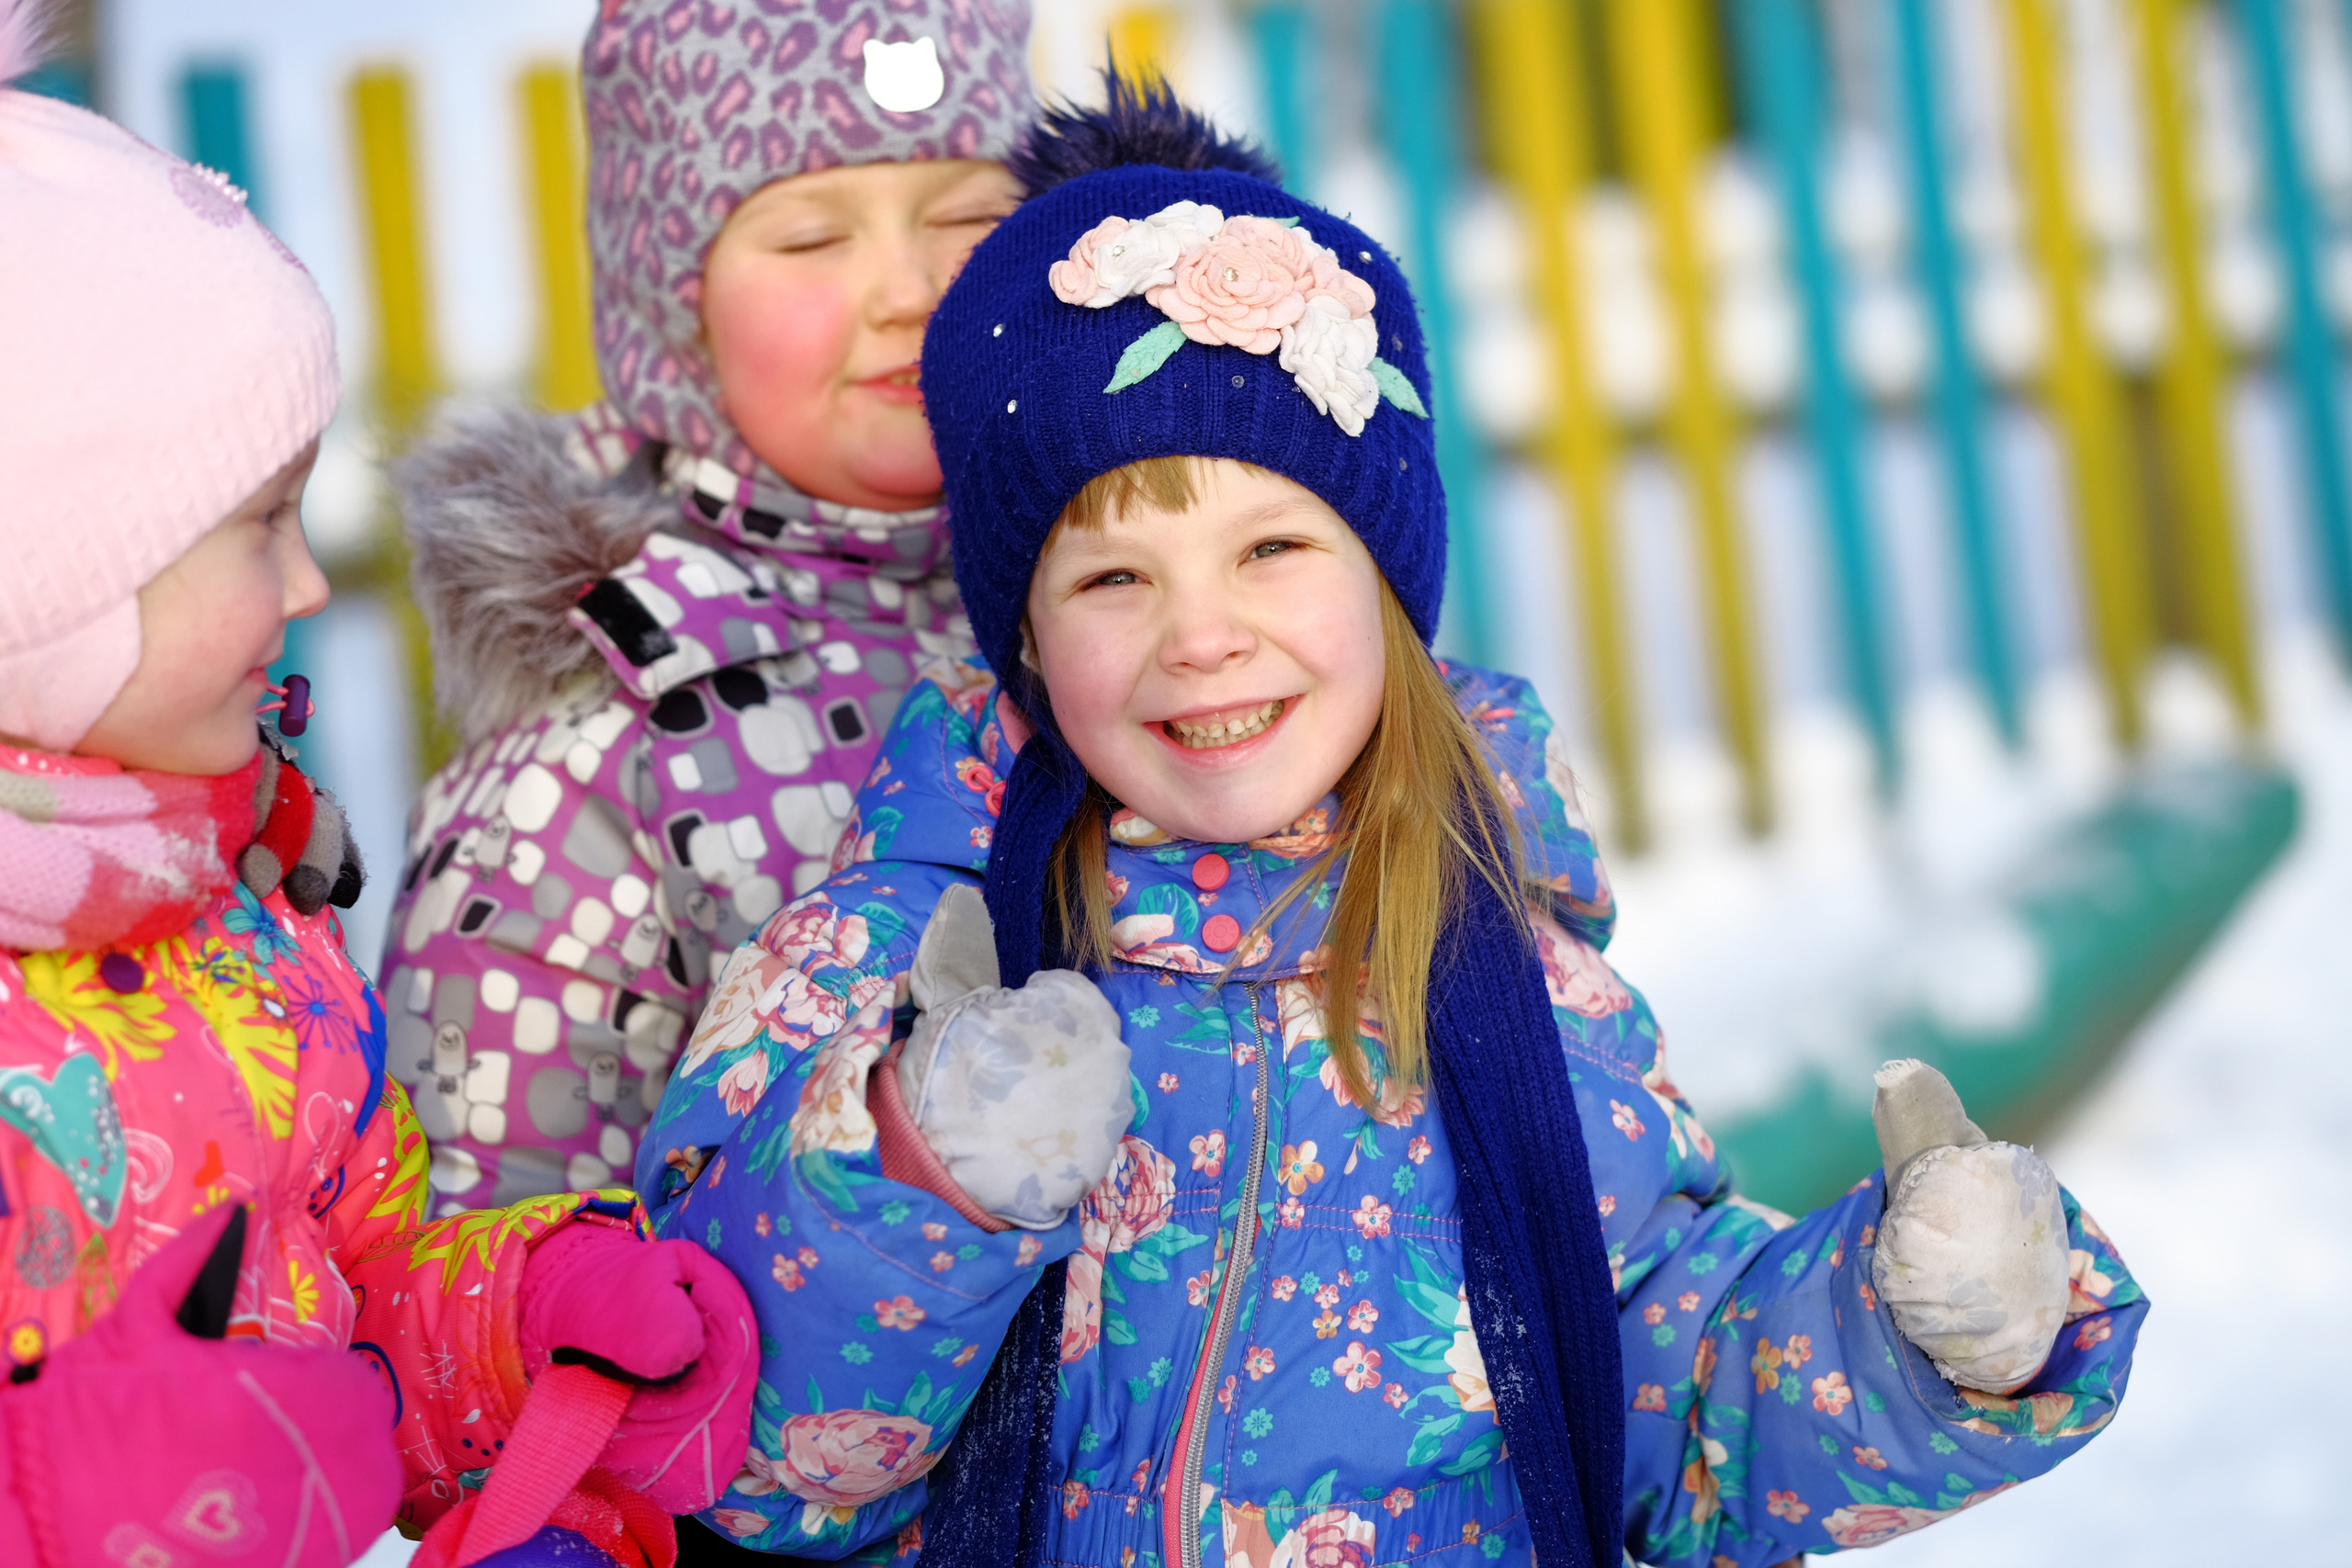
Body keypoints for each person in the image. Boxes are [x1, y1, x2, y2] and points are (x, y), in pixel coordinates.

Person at [637, 85, 2145, 1566]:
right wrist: (918, 1168)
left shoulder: (1501, 962)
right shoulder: (893, 955)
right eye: (1113, 579)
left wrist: (1916, 1329)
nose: (1202, 638)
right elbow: (740, 1461)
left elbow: (1660, 1410)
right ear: (1022, 638)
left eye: (1274, 546)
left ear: (1389, 589)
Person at [0, 11, 754, 1563]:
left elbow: (358, 1291)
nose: (304, 586)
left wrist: (527, 1323)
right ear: (51, 590)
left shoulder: (247, 916)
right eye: (260, 522)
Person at [382, 0, 1035, 1221]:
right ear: (673, 313)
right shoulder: (613, 736)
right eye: (808, 240)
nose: (909, 290)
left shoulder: (1107, 601)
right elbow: (497, 1229)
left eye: (965, 219)